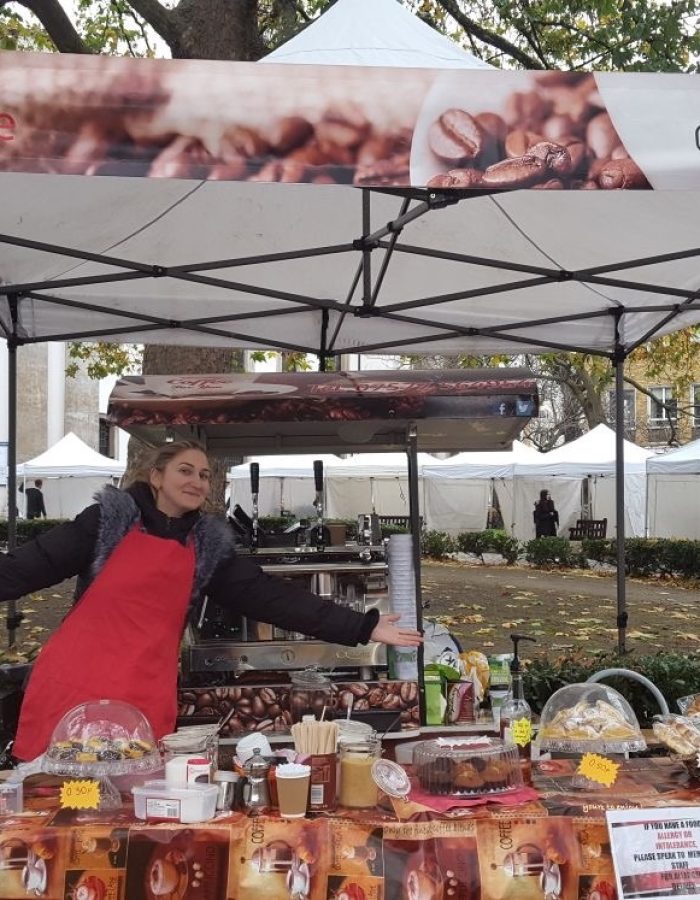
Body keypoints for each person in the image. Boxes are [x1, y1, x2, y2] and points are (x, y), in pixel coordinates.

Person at [0, 441, 422, 761]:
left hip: (143, 689)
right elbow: (28, 566)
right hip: (74, 683)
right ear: (157, 477)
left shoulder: (206, 545)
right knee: (64, 795)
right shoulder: (107, 523)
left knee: (123, 801)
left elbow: (270, 597)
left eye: (204, 475)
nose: (197, 482)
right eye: (186, 471)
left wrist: (361, 626)